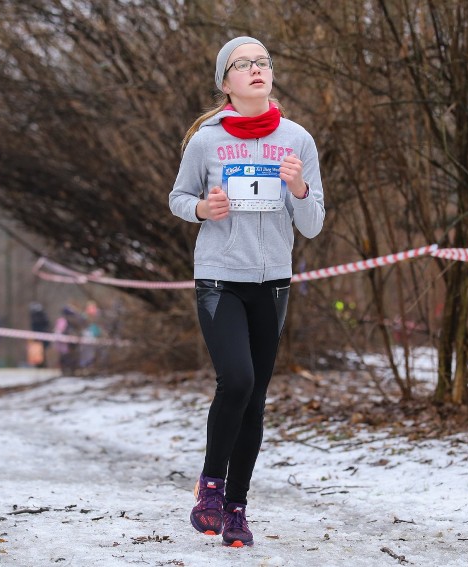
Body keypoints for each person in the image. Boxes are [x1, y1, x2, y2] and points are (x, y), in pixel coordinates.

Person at [168, 37, 325, 548]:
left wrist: (299, 189)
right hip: (219, 277)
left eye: (263, 62)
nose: (256, 70)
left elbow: (314, 224)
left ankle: (237, 508)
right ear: (225, 82)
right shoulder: (206, 142)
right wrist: (202, 210)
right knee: (235, 379)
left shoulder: (298, 140)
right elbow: (178, 197)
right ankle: (210, 488)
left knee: (254, 398)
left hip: (273, 280)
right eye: (243, 64)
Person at [29, 302, 50, 368]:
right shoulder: (35, 316)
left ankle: (43, 365)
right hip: (37, 336)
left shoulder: (42, 316)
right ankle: (38, 364)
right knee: (37, 352)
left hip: (43, 336)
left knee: (42, 351)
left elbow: (46, 324)